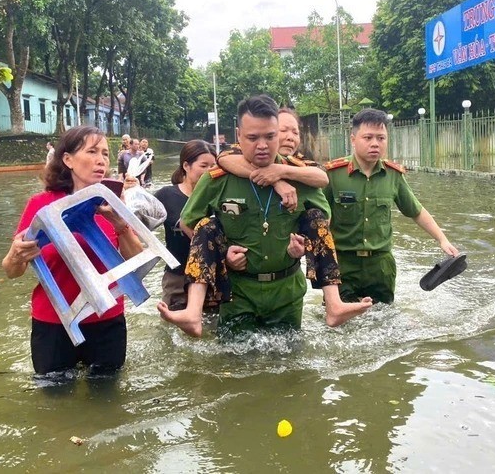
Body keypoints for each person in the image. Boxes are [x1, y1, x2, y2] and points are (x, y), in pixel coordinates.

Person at [158, 94, 330, 337]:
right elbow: (190, 222)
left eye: (270, 136)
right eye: (252, 138)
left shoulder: (299, 177)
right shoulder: (219, 178)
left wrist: (302, 245)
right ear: (239, 135)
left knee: (291, 366)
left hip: (287, 293)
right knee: (234, 365)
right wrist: (223, 253)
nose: (262, 145)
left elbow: (323, 220)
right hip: (238, 294)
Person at [2, 125, 143, 376]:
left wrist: (120, 225)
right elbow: (12, 272)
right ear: (68, 159)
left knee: (107, 398)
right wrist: (16, 255)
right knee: (54, 399)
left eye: (105, 154)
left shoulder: (112, 203)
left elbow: (137, 262)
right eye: (91, 152)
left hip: (107, 319)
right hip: (53, 321)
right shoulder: (41, 204)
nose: (101, 160)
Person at [213, 107, 372, 326]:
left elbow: (322, 188)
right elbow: (223, 157)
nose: (290, 137)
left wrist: (282, 173)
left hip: (287, 288)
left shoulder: (300, 168)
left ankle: (334, 303)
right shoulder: (231, 163)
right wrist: (272, 179)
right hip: (240, 290)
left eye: (295, 132)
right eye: (283, 130)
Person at [325, 108, 459, 306]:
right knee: (342, 323)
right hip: (343, 263)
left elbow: (416, 210)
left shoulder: (393, 175)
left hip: (381, 265)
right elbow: (320, 220)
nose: (375, 144)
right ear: (353, 139)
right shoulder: (334, 175)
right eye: (368, 137)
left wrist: (442, 239)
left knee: (384, 319)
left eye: (381, 138)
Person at [153, 140, 217, 311]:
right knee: (175, 332)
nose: (209, 171)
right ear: (186, 166)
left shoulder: (218, 198)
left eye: (213, 166)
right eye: (204, 165)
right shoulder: (166, 195)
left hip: (212, 278)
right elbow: (140, 224)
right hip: (177, 279)